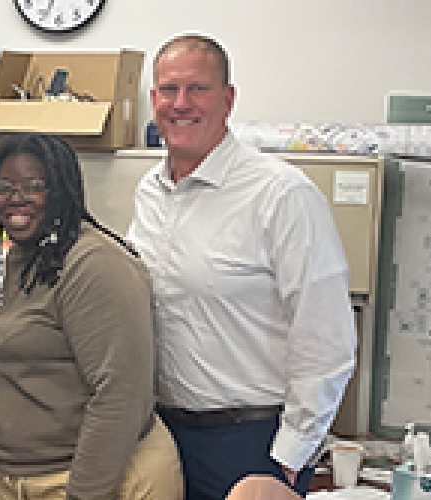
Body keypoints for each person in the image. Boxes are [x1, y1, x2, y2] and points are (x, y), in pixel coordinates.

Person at [128, 33, 357, 499]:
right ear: (153, 99)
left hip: (254, 442)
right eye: (169, 90)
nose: (181, 103)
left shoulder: (282, 196)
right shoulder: (149, 192)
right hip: (165, 438)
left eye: (199, 89)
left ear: (228, 99)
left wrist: (291, 454)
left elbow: (327, 339)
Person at [0, 133, 183, 500]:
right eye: (4, 187)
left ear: (61, 190)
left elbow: (120, 395)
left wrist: (84, 494)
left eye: (34, 186)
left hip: (90, 480)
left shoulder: (94, 264)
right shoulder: (24, 259)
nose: (15, 199)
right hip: (25, 477)